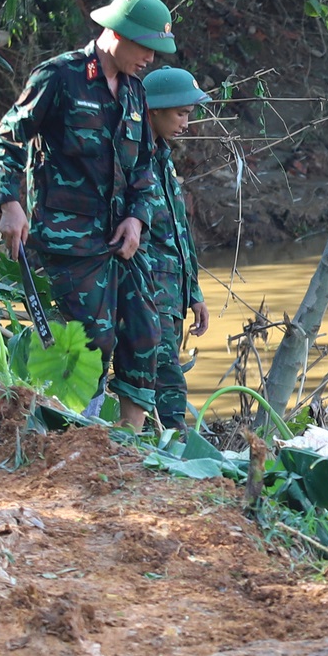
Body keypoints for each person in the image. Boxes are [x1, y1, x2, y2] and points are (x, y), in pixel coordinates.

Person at [0, 0, 173, 416]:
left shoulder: (134, 93)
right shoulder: (60, 77)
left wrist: (136, 218)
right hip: (68, 239)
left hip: (119, 240)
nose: (149, 58)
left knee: (146, 332)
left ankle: (128, 442)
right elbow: (7, 139)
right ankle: (75, 435)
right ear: (117, 33)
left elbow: (145, 168)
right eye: (145, 47)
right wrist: (9, 204)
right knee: (93, 340)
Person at [115, 66, 211, 433]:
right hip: (143, 292)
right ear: (152, 111)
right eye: (181, 114)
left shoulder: (162, 158)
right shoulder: (127, 159)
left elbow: (178, 232)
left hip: (170, 295)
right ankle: (174, 458)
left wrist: (195, 293)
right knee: (167, 384)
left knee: (164, 381)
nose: (187, 123)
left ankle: (160, 451)